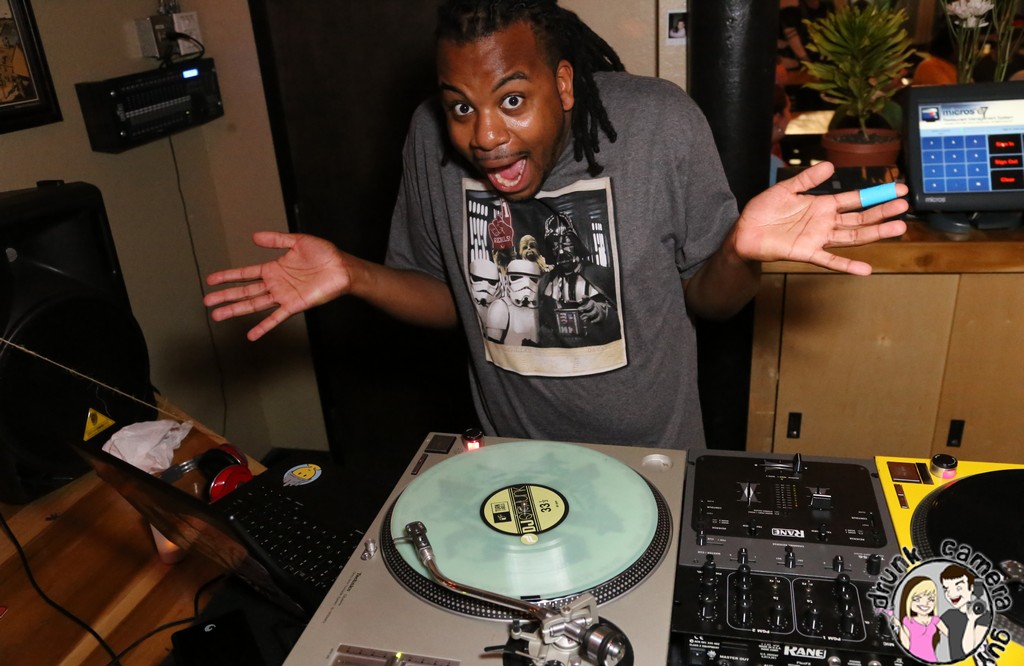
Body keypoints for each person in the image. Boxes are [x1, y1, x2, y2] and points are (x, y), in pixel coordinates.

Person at [203, 0, 907, 450]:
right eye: (461, 105)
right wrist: (354, 275)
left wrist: (741, 255)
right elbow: (453, 300)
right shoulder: (426, 137)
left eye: (512, 99)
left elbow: (709, 300)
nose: (484, 136)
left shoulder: (661, 124)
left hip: (656, 462)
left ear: (563, 83)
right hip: (514, 462)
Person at [939, 565, 991, 661]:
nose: (951, 593)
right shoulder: (949, 614)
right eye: (946, 589)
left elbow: (969, 650)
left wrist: (971, 620)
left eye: (958, 588)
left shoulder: (983, 616)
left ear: (971, 587)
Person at [890, 576, 948, 662]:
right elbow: (906, 645)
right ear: (908, 600)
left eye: (931, 599)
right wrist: (898, 626)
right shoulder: (908, 621)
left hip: (931, 659)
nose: (925, 603)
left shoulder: (935, 620)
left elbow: (951, 635)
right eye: (917, 599)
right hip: (913, 660)